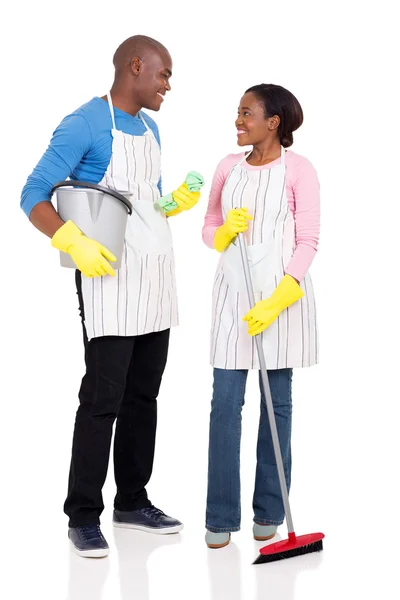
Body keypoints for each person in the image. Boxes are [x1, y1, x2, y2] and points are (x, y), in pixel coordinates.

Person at [21, 35, 201, 558]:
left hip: (156, 273)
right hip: (108, 277)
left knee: (145, 395)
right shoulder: (84, 122)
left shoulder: (151, 127)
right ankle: (82, 515)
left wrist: (173, 202)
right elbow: (34, 193)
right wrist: (70, 239)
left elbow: (145, 199)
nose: (168, 85)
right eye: (163, 74)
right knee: (102, 399)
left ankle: (132, 500)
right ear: (135, 66)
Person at [202, 83, 320, 548]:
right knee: (225, 408)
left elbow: (308, 241)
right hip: (233, 297)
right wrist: (222, 233)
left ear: (273, 123)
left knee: (278, 408)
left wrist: (276, 300)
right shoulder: (227, 168)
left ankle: (270, 509)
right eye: (238, 112)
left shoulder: (300, 170)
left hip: (280, 300)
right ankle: (220, 516)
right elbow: (208, 229)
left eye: (246, 113)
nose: (238, 120)